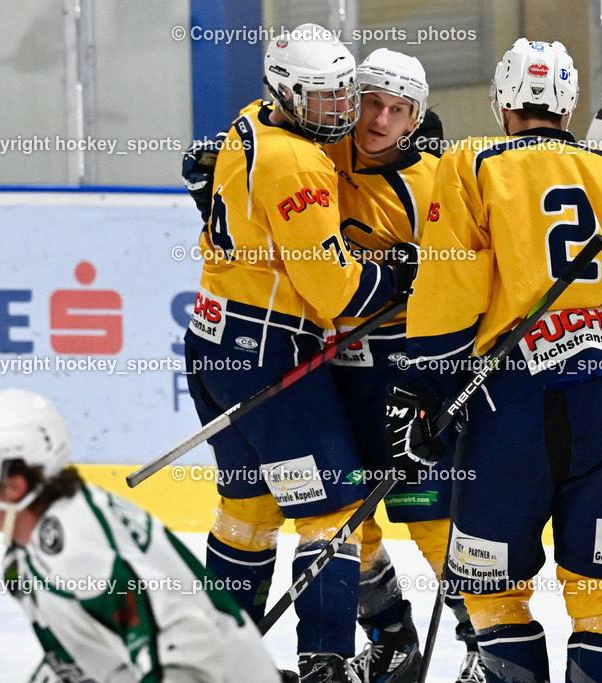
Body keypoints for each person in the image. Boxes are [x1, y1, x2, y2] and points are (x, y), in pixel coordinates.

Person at [385, 39, 602, 682]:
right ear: (569, 103)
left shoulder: (472, 164)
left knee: (494, 592)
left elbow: (449, 297)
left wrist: (420, 394)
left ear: (502, 102)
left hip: (507, 414)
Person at [182, 24, 415, 681]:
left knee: (248, 509)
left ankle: (218, 660)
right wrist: (398, 275)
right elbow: (336, 290)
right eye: (325, 97)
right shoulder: (300, 162)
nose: (342, 110)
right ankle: (326, 665)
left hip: (212, 335)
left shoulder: (250, 121)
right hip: (270, 353)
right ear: (286, 92)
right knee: (333, 505)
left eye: (346, 93)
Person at [321, 49, 482, 683]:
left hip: (404, 366)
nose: (380, 119)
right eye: (371, 102)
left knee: (427, 511)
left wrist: (431, 269)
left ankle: (485, 646)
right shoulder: (319, 155)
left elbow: (476, 259)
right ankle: (392, 643)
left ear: (416, 118)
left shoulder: (437, 180)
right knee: (345, 512)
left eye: (397, 109)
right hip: (335, 362)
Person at [0, 388, 281, 682]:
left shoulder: (77, 549)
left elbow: (188, 641)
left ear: (13, 486)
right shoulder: (30, 550)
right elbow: (80, 662)